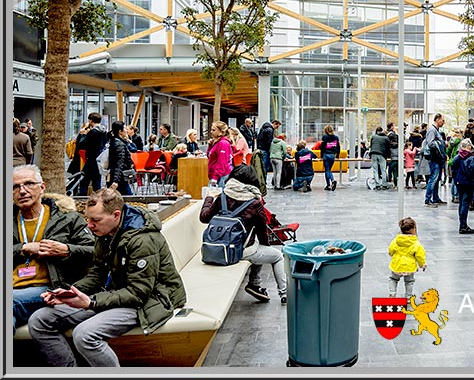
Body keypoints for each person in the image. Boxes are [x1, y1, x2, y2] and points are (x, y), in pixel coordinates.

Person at [27, 187, 186, 367]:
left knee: (85, 335)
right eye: (87, 218)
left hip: (150, 301)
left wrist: (92, 302)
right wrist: (68, 293)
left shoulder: (142, 240)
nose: (89, 225)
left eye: (95, 220)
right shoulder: (104, 233)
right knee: (39, 320)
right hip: (117, 293)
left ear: (116, 215)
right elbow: (97, 274)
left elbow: (139, 293)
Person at [12, 165, 95, 334]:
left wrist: (66, 250)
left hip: (51, 288)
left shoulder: (67, 219)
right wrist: (24, 248)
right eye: (15, 187)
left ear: (42, 187)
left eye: (28, 184)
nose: (22, 191)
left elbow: (95, 252)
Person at [200, 164, 288, 304]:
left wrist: (209, 198)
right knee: (276, 255)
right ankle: (284, 294)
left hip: (215, 248)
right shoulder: (254, 202)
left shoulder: (222, 196)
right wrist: (267, 246)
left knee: (258, 246)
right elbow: (262, 232)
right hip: (239, 251)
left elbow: (204, 218)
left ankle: (255, 284)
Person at [387, 217, 427, 299]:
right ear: (414, 230)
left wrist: (392, 255)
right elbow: (420, 255)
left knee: (393, 279)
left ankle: (392, 293)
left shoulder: (396, 240)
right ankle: (408, 297)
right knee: (409, 282)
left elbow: (391, 250)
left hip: (397, 264)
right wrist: (422, 264)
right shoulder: (415, 243)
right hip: (409, 266)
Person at [73, 112, 108, 196]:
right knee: (97, 181)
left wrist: (82, 135)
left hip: (91, 160)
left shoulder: (92, 132)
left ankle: (82, 198)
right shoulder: (103, 131)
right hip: (99, 159)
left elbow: (82, 144)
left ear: (91, 120)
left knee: (84, 181)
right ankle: (98, 198)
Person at [451, 138, 474, 234]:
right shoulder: (470, 158)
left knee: (461, 203)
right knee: (465, 203)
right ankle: (463, 225)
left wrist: (456, 179)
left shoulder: (457, 157)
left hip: (459, 183)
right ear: (468, 147)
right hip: (469, 183)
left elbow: (453, 169)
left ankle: (462, 223)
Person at [423, 113, 447, 207]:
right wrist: (440, 146)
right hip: (434, 158)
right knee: (433, 179)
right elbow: (430, 143)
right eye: (442, 120)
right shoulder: (432, 130)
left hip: (438, 159)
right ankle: (427, 200)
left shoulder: (436, 131)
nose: (443, 122)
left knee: (437, 179)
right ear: (437, 119)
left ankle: (435, 198)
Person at [106, 121, 134, 196]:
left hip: (117, 176)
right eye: (125, 128)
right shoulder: (119, 144)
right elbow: (119, 163)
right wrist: (116, 181)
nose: (126, 130)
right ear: (120, 131)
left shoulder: (115, 141)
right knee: (128, 197)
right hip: (120, 177)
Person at [207, 121, 233, 187]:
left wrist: (215, 177)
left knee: (219, 195)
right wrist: (210, 146)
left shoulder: (223, 143)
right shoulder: (217, 142)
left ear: (221, 131)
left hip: (221, 176)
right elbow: (210, 156)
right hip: (216, 174)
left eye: (214, 130)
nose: (211, 132)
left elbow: (222, 162)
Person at [319, 124, 341, 191]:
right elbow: (338, 147)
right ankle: (328, 185)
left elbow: (322, 147)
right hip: (332, 155)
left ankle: (332, 180)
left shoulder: (325, 137)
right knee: (328, 170)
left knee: (327, 170)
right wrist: (337, 155)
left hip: (326, 155)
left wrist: (321, 156)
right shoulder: (336, 137)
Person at [386, 122, 400, 188]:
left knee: (391, 169)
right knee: (396, 172)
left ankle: (391, 179)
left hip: (391, 158)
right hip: (397, 158)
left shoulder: (387, 135)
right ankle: (396, 183)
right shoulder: (397, 147)